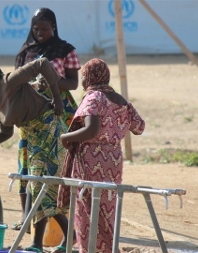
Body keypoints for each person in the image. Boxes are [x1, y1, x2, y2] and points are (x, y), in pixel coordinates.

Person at [0, 57, 71, 253]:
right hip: (33, 138)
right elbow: (6, 133)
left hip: (50, 130)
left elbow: (42, 64)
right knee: (38, 186)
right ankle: (64, 237)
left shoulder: (11, 80)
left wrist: (57, 99)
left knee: (40, 186)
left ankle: (42, 242)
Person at [57, 59, 146, 253]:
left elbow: (91, 130)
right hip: (113, 161)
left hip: (90, 159)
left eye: (83, 78)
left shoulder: (93, 97)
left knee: (86, 211)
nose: (81, 83)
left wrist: (67, 137)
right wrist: (116, 129)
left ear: (89, 78)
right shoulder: (121, 100)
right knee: (106, 209)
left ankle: (89, 250)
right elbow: (139, 127)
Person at [13, 7, 81, 233]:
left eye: (44, 28)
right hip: (30, 112)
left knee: (52, 164)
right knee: (26, 162)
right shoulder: (26, 52)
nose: (40, 32)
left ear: (53, 26)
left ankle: (61, 220)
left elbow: (73, 83)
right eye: (36, 28)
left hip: (57, 110)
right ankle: (26, 218)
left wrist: (51, 81)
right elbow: (16, 81)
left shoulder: (65, 50)